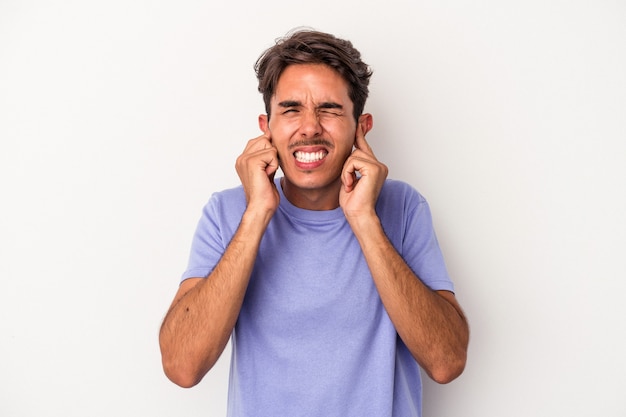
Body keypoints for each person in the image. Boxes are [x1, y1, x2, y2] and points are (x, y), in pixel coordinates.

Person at [159, 29, 469, 417]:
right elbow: (182, 367)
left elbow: (447, 362)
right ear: (266, 127)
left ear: (362, 127)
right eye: (290, 109)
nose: (309, 127)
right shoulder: (227, 212)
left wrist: (364, 219)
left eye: (330, 109)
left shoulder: (402, 207)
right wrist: (257, 213)